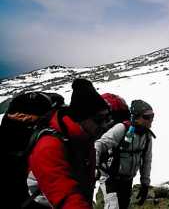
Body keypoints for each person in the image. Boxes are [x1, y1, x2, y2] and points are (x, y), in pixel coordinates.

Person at [28, 78, 112, 209]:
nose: (104, 125)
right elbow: (64, 194)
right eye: (99, 119)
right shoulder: (49, 146)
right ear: (81, 118)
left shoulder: (85, 137)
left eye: (107, 118)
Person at [95, 99, 155, 209]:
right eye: (146, 117)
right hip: (110, 178)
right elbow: (99, 145)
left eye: (152, 116)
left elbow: (147, 160)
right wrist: (95, 166)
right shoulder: (121, 129)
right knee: (112, 206)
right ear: (136, 117)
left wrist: (145, 184)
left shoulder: (147, 136)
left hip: (127, 180)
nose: (150, 120)